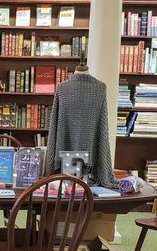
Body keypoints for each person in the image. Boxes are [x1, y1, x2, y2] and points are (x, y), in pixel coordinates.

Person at [44, 55, 117, 188]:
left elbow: (101, 126)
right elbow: (56, 123)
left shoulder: (100, 88)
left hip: (66, 167)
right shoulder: (62, 88)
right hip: (74, 163)